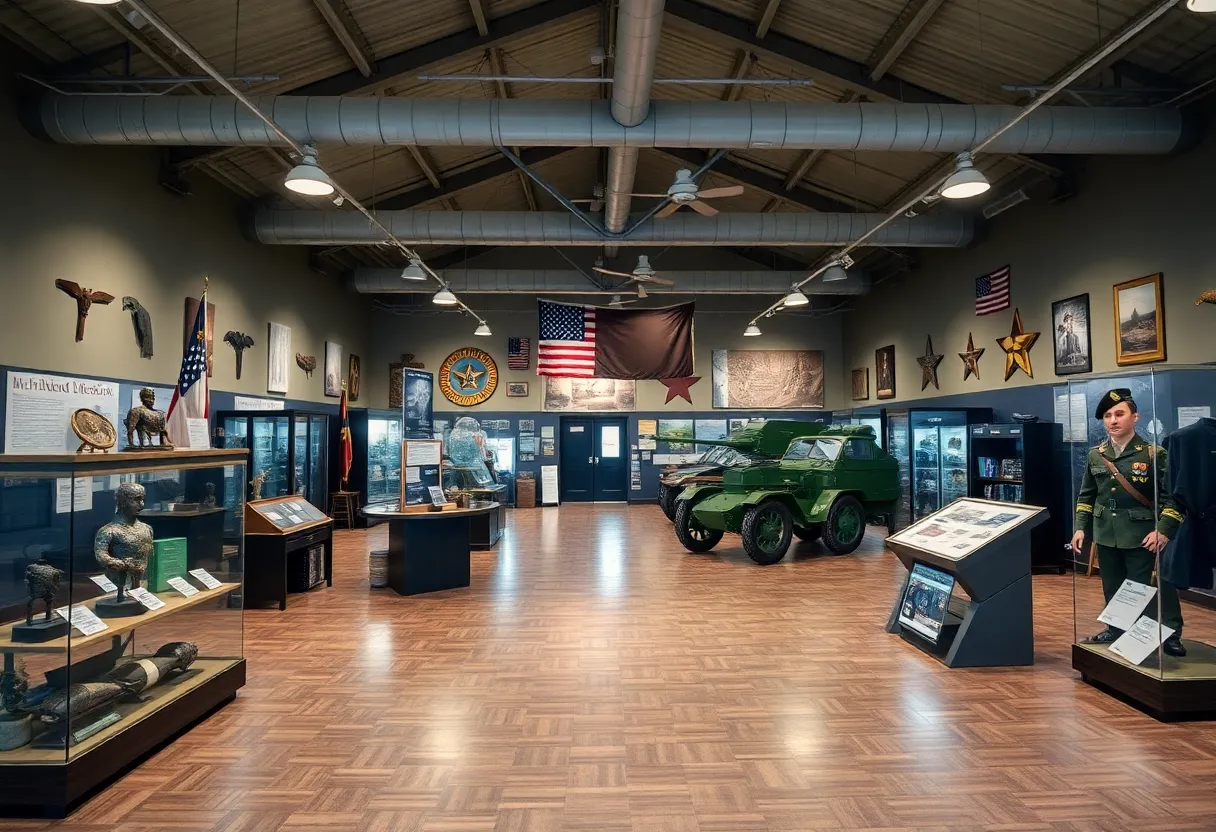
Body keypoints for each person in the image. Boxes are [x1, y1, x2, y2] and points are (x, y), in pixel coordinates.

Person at [1070, 388, 1186, 656]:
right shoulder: (1096, 455)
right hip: (1106, 532)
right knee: (1112, 585)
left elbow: (1172, 499)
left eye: (1119, 414)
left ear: (1135, 417)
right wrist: (1080, 527)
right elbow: (1087, 495)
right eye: (1108, 416)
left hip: (1143, 534)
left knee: (1150, 587)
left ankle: (1169, 632)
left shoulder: (1154, 454)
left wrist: (1164, 531)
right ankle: (1116, 627)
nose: (1113, 420)